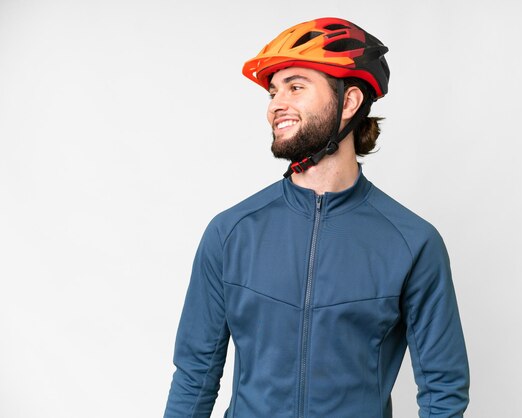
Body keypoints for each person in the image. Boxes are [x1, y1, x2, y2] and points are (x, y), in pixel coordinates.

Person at [164, 17, 469, 418]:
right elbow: (195, 376)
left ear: (349, 102)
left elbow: (442, 389)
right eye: (273, 92)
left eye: (296, 87)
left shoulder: (413, 242)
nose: (276, 104)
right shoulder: (231, 232)